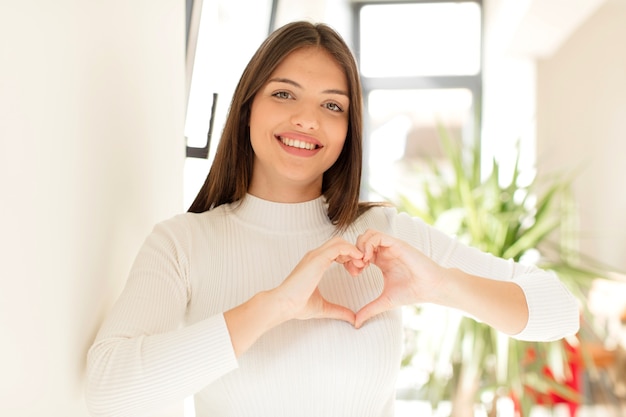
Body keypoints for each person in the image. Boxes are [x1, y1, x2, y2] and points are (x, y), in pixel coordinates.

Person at [85, 21, 579, 417]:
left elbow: (560, 310)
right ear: (246, 108)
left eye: (332, 105)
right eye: (284, 94)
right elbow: (108, 390)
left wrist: (441, 285)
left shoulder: (383, 235)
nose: (307, 119)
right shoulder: (182, 243)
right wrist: (275, 306)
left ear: (348, 130)